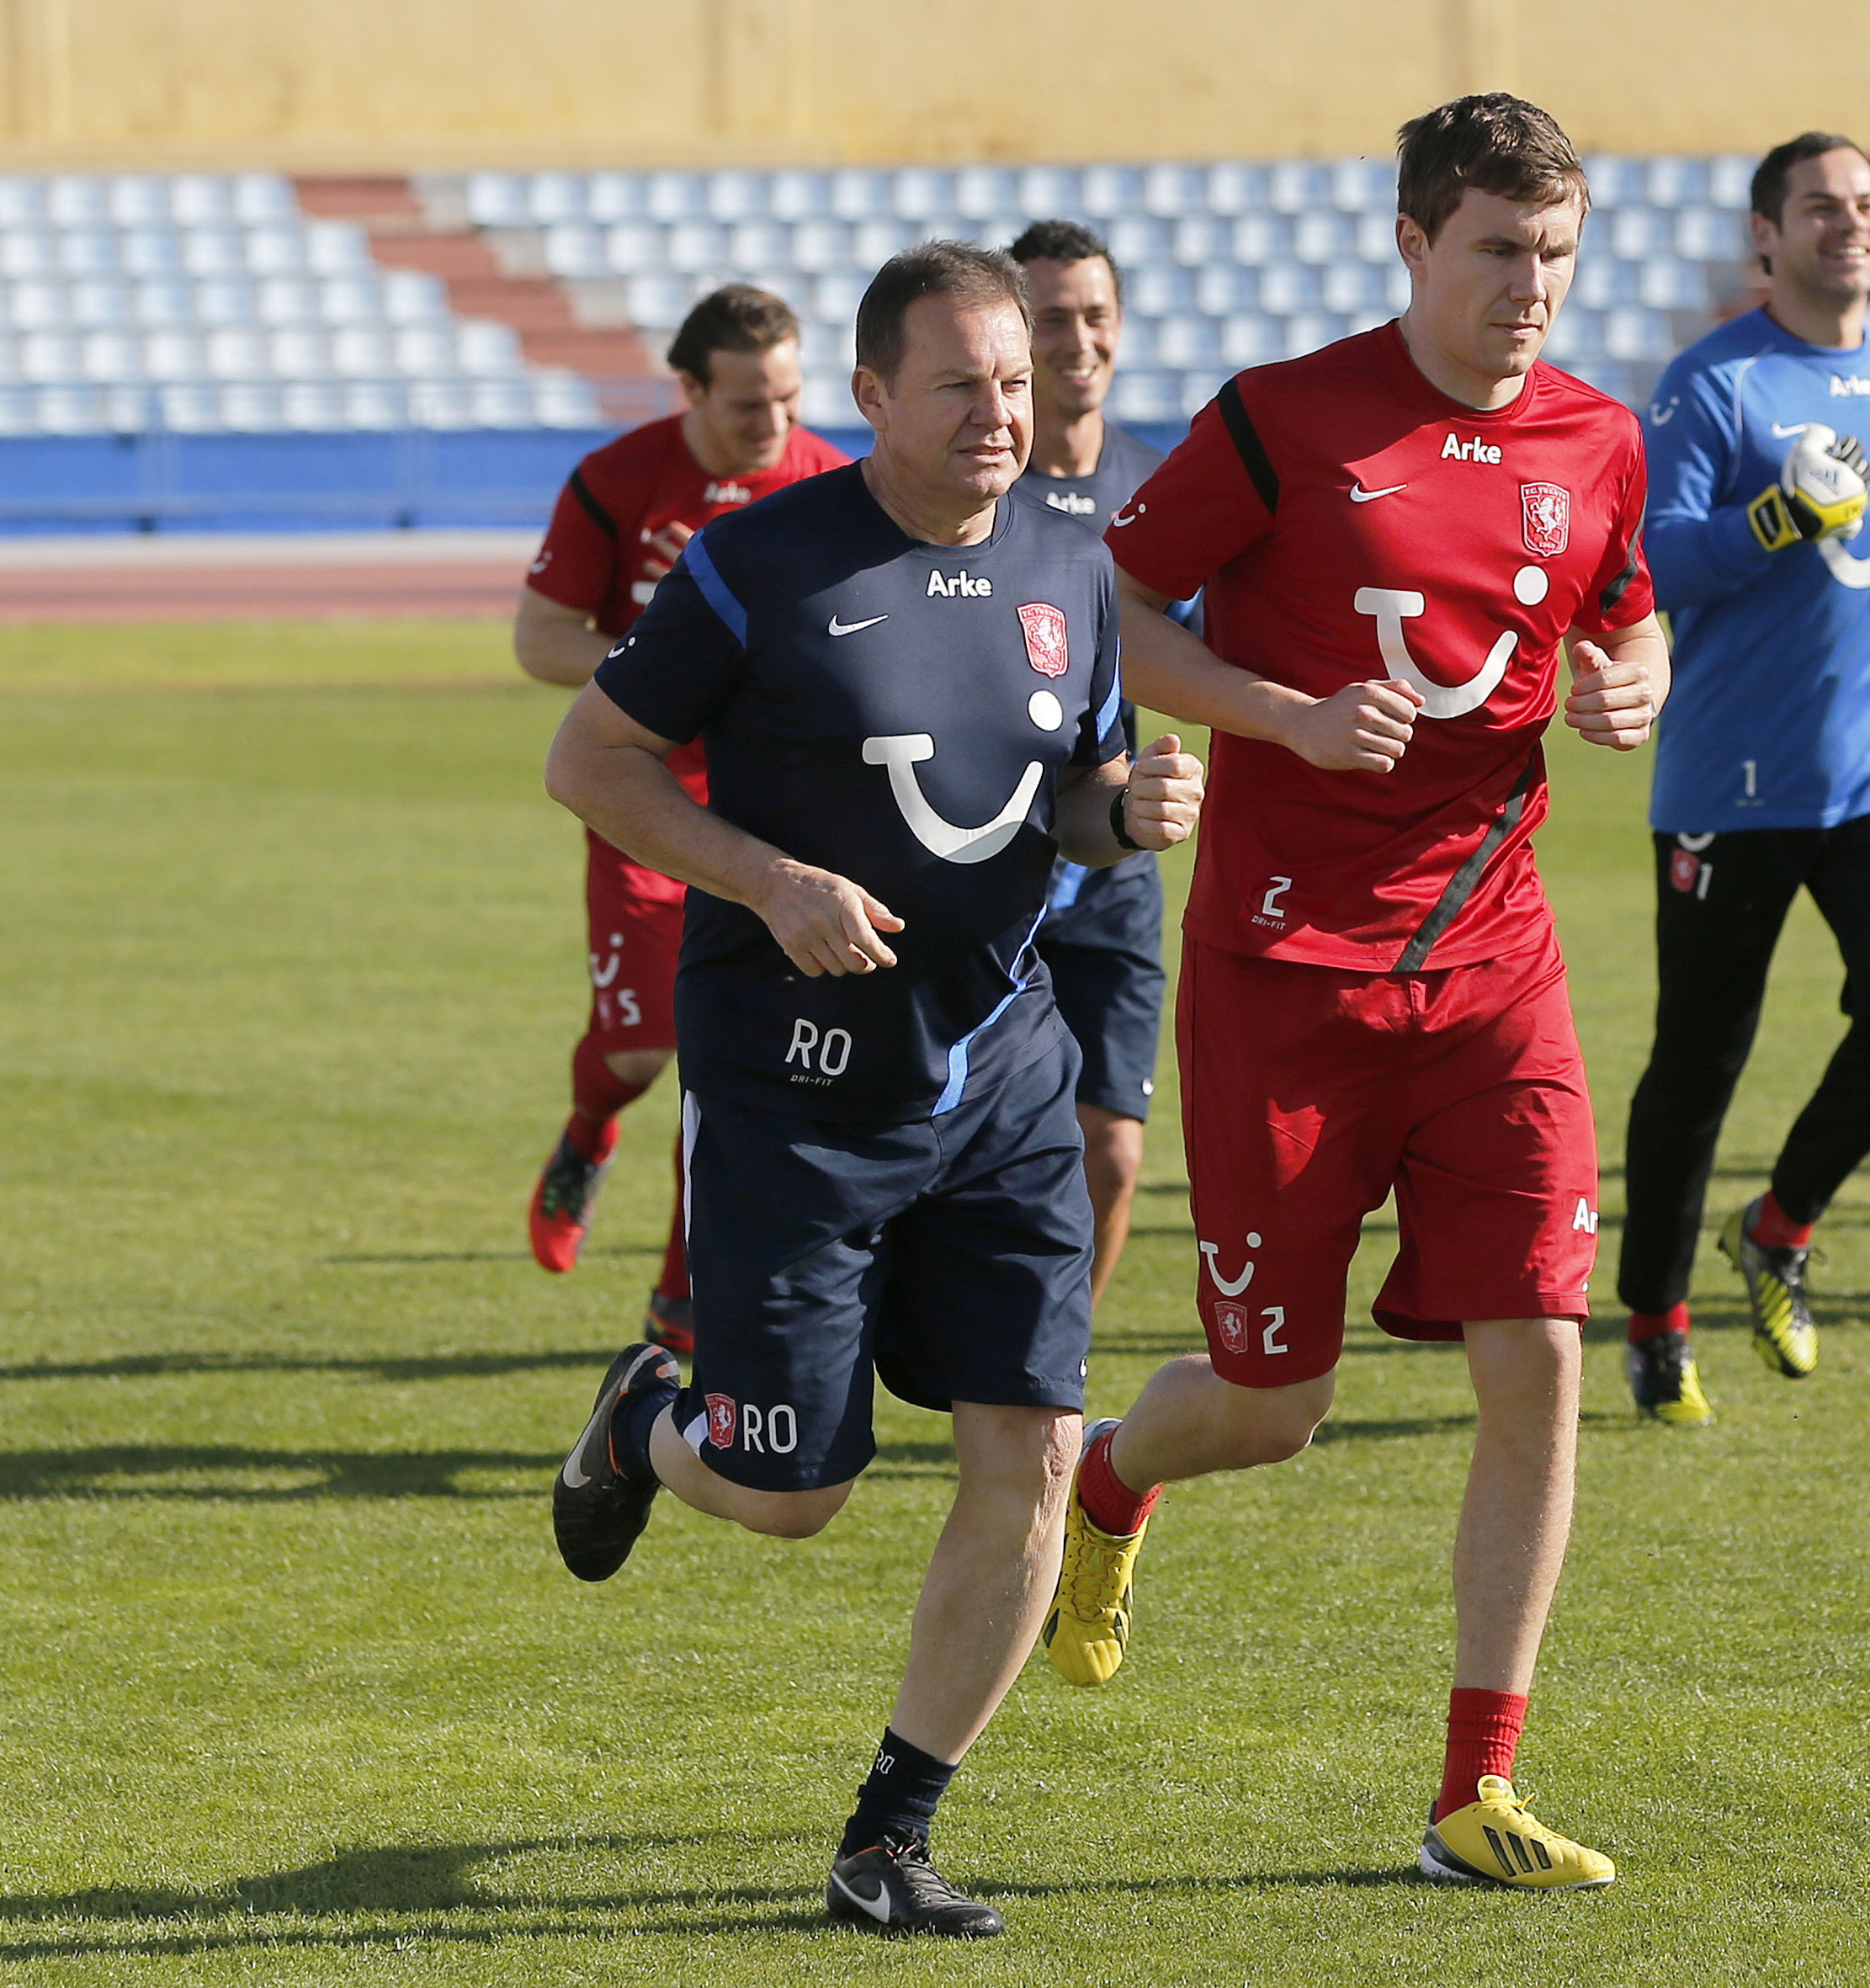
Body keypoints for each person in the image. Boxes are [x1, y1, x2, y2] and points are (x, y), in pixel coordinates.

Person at [541, 241, 1206, 1939]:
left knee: (1034, 1449)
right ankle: (642, 1417)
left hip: (1004, 1076)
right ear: (868, 399)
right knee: (791, 1489)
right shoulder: (761, 564)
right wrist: (767, 879)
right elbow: (591, 759)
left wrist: (1118, 812)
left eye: (1015, 380)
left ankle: (889, 1835)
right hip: (793, 1087)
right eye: (959, 384)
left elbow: (1053, 796)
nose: (1002, 410)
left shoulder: (1074, 553)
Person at [1045, 93, 1668, 1890]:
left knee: (1541, 1354)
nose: (1529, 286)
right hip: (1282, 980)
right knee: (1273, 1400)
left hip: (1494, 968)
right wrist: (1284, 714)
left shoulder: (1595, 439)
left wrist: (1631, 681)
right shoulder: (1282, 416)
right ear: (1411, 245)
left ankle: (1474, 1785)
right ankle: (1110, 1480)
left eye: (1554, 252)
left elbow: (1624, 613)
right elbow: (1122, 606)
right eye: (1496, 250)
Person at [1615, 131, 1870, 1418]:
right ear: (1765, 236)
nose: (1850, 223)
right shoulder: (1712, 384)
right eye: (1819, 206)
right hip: (1730, 780)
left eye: (1865, 204)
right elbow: (1654, 559)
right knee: (1698, 1062)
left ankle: (1777, 1224)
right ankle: (1653, 1317)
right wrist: (1772, 518)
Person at [513, 284, 849, 1350]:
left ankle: (681, 1296)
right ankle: (588, 1129)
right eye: (750, 404)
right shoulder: (617, 482)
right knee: (643, 1043)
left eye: (790, 399)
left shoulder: (833, 481)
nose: (775, 426)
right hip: (648, 801)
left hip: (784, 812)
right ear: (692, 388)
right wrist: (667, 670)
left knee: (728, 1058)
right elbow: (540, 638)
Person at [1008, 218, 1171, 1295]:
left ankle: (1052, 1365)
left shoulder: (1164, 490)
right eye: (1052, 318)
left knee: (1112, 1152)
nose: (1079, 340)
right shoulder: (972, 487)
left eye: (1095, 315)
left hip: (1114, 866)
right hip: (988, 856)